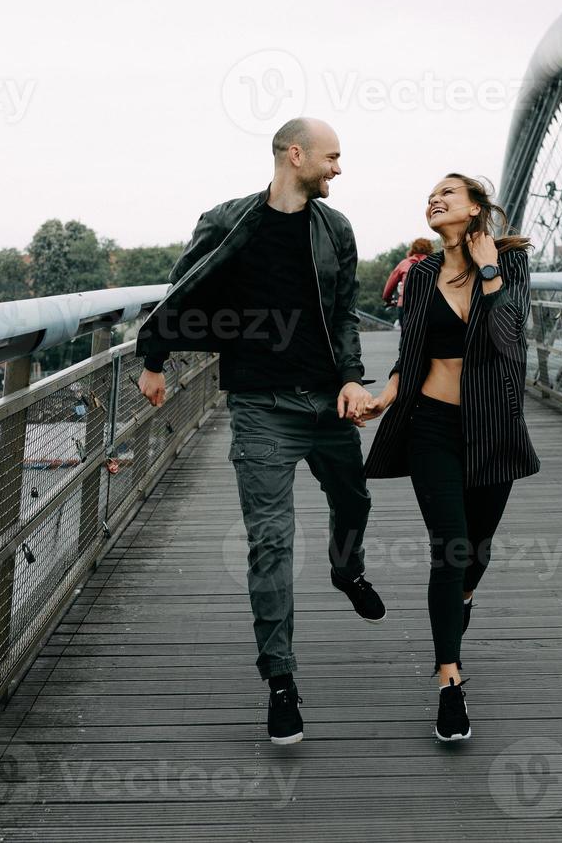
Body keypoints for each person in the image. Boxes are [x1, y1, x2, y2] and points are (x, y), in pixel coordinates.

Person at [134, 117, 384, 746]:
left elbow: (344, 314)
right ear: (294, 155)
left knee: (353, 500)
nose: (338, 168)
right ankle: (281, 680)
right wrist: (154, 359)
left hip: (328, 404)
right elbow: (183, 288)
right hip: (261, 407)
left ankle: (346, 569)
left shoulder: (337, 229)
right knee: (270, 543)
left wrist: (354, 379)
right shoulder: (227, 221)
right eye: (331, 157)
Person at [361, 173, 540, 742]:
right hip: (431, 425)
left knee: (476, 552)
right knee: (451, 548)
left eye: (448, 193)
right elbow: (410, 349)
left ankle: (461, 602)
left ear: (475, 209)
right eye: (430, 194)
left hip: (493, 427)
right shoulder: (419, 274)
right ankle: (449, 682)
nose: (434, 199)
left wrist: (488, 273)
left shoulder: (509, 266)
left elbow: (511, 342)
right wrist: (384, 397)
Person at [381, 238, 435, 328]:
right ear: (430, 250)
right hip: (427, 306)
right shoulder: (434, 264)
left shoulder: (404, 264)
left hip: (404, 304)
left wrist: (388, 299)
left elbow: (388, 290)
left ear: (412, 249)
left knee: (406, 337)